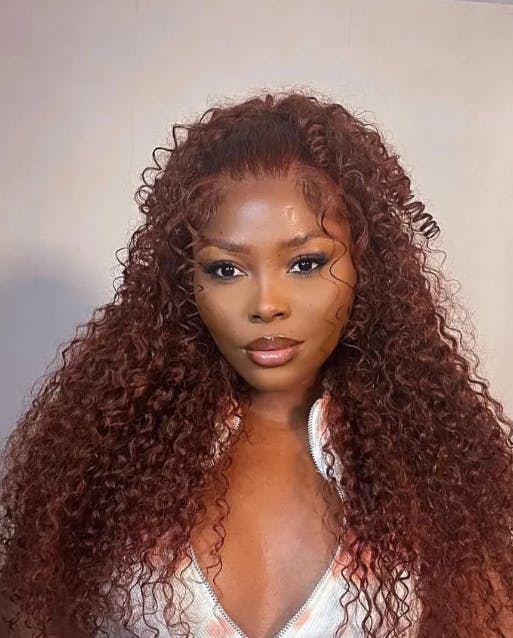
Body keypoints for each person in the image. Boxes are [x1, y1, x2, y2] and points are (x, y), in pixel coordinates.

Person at [1, 90, 513, 638]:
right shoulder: (106, 455)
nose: (267, 304)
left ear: (365, 266)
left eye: (306, 263)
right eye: (226, 269)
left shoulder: (434, 468)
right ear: (186, 282)